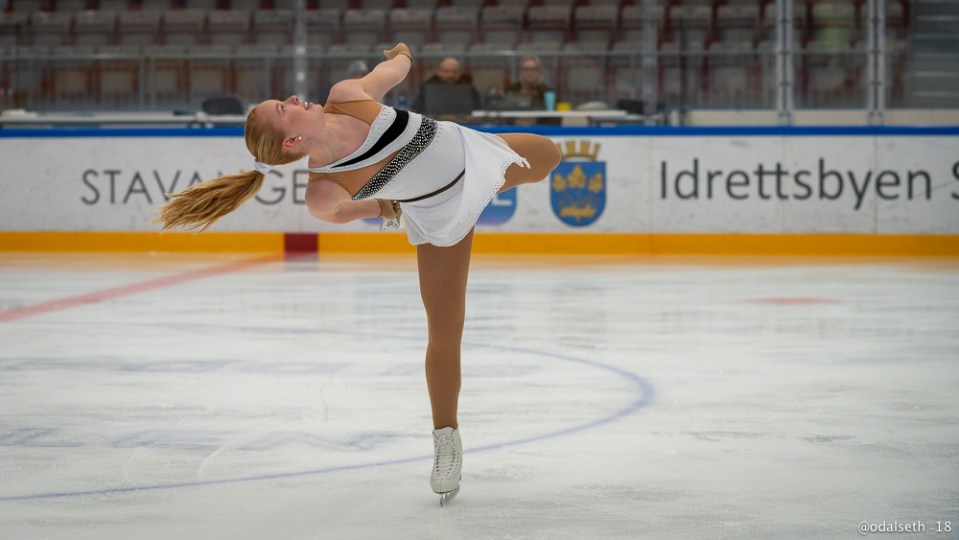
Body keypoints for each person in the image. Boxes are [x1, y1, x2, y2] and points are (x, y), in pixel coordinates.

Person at [155, 43, 561, 506]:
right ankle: (446, 440)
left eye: (283, 99)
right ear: (292, 143)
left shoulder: (346, 95)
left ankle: (464, 192)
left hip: (473, 153)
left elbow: (392, 71)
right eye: (283, 108)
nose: (292, 98)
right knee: (445, 333)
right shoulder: (324, 190)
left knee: (549, 154)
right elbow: (338, 213)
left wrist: (402, 54)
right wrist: (387, 209)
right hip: (439, 215)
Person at [410, 56, 481, 116]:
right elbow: (416, 111)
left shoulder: (470, 90)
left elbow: (478, 111)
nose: (450, 75)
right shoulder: (426, 90)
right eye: (446, 71)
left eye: (454, 71)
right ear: (439, 72)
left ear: (460, 73)